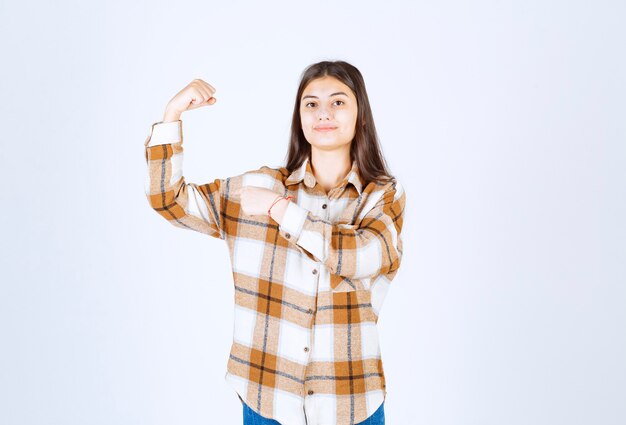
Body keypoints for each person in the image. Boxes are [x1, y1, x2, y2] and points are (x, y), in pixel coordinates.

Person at [144, 60, 405, 425]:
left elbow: (363, 256)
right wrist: (172, 115)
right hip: (268, 400)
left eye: (338, 102)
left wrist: (283, 211)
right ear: (300, 118)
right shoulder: (259, 187)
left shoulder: (382, 195)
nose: (323, 113)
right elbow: (169, 200)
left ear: (361, 115)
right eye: (311, 104)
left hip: (350, 402)